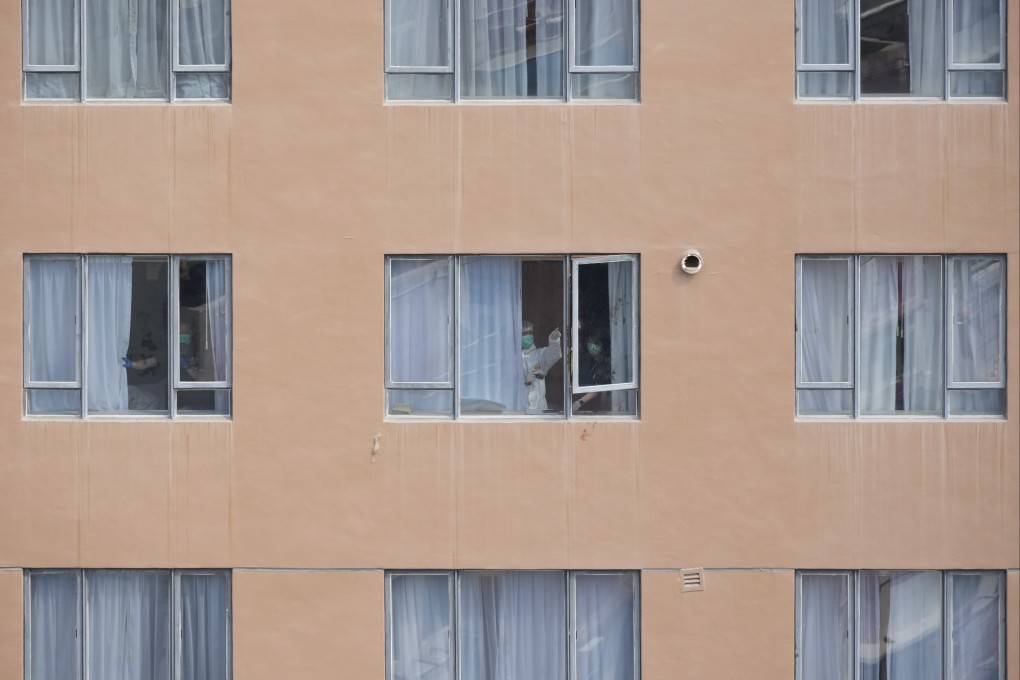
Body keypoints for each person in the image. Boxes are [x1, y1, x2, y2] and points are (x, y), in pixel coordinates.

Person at [521, 321, 562, 411]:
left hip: (540, 408)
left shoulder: (538, 355)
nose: (528, 336)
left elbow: (553, 354)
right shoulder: (513, 359)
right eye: (525, 334)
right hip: (522, 409)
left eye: (530, 333)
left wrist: (554, 341)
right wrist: (524, 380)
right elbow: (507, 383)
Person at [573, 331, 612, 412]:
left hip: (603, 407)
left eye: (596, 343)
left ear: (603, 345)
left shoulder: (609, 363)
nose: (592, 346)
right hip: (589, 406)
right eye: (590, 342)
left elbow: (598, 388)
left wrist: (579, 403)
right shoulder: (591, 361)